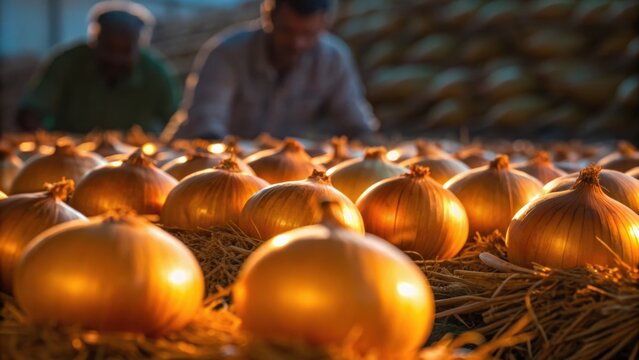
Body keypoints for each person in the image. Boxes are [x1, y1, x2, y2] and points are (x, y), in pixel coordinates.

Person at [165, 0, 378, 141]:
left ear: (325, 24)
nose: (297, 43)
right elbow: (206, 124)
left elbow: (356, 123)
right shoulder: (227, 53)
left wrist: (368, 145)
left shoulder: (333, 59)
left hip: (282, 168)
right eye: (288, 31)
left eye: (308, 34)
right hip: (217, 165)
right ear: (268, 18)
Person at [17, 1, 181, 134]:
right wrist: (41, 138)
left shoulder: (157, 74)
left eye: (125, 50)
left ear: (140, 46)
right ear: (94, 41)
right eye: (108, 47)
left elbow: (177, 120)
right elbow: (31, 111)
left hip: (135, 159)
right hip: (70, 155)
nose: (116, 58)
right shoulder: (66, 63)